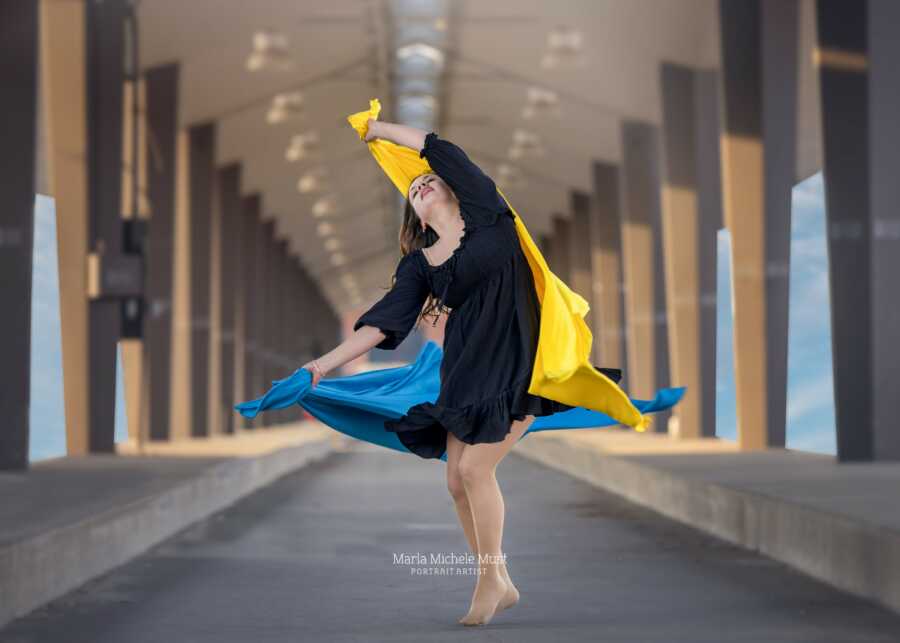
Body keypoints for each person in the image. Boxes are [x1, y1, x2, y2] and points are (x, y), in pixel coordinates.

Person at [297, 119, 623, 626]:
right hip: (467, 371)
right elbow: (384, 326)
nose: (421, 185)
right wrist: (320, 367)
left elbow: (437, 148)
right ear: (414, 212)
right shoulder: (421, 264)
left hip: (521, 363)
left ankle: (488, 579)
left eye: (426, 180)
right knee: (455, 480)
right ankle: (501, 581)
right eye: (412, 189)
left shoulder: (488, 212)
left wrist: (379, 128)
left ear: (448, 187)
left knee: (475, 469)